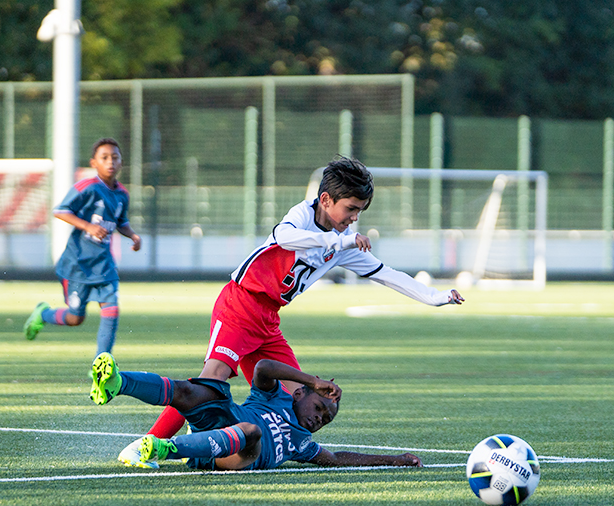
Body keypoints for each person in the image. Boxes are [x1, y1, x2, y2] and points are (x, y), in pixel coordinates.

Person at [116, 157, 464, 466]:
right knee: (209, 385)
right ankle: (144, 446)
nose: (355, 218)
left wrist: (435, 296)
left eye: (360, 211)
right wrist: (336, 240)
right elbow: (285, 237)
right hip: (241, 304)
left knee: (296, 399)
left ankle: (236, 445)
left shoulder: (343, 242)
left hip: (268, 320)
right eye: (351, 208)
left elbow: (385, 273)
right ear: (325, 200)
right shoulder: (304, 216)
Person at [91, 352, 421, 471]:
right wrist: (311, 379)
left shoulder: (303, 444)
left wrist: (395, 460)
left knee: (252, 431)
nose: (319, 418)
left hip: (237, 457)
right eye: (320, 407)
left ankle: (164, 448)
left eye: (325, 420)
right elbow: (262, 367)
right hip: (222, 419)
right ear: (300, 393)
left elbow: (337, 458)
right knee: (193, 391)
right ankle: (117, 383)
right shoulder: (274, 396)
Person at [23, 138, 141, 358]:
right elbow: (60, 211)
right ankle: (44, 314)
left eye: (115, 157)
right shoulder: (87, 187)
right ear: (93, 163)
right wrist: (88, 226)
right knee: (75, 318)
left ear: (121, 162)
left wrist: (132, 235)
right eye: (104, 158)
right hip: (77, 264)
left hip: (104, 265)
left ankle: (101, 364)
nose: (110, 162)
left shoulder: (122, 194)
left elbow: (121, 222)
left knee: (112, 310)